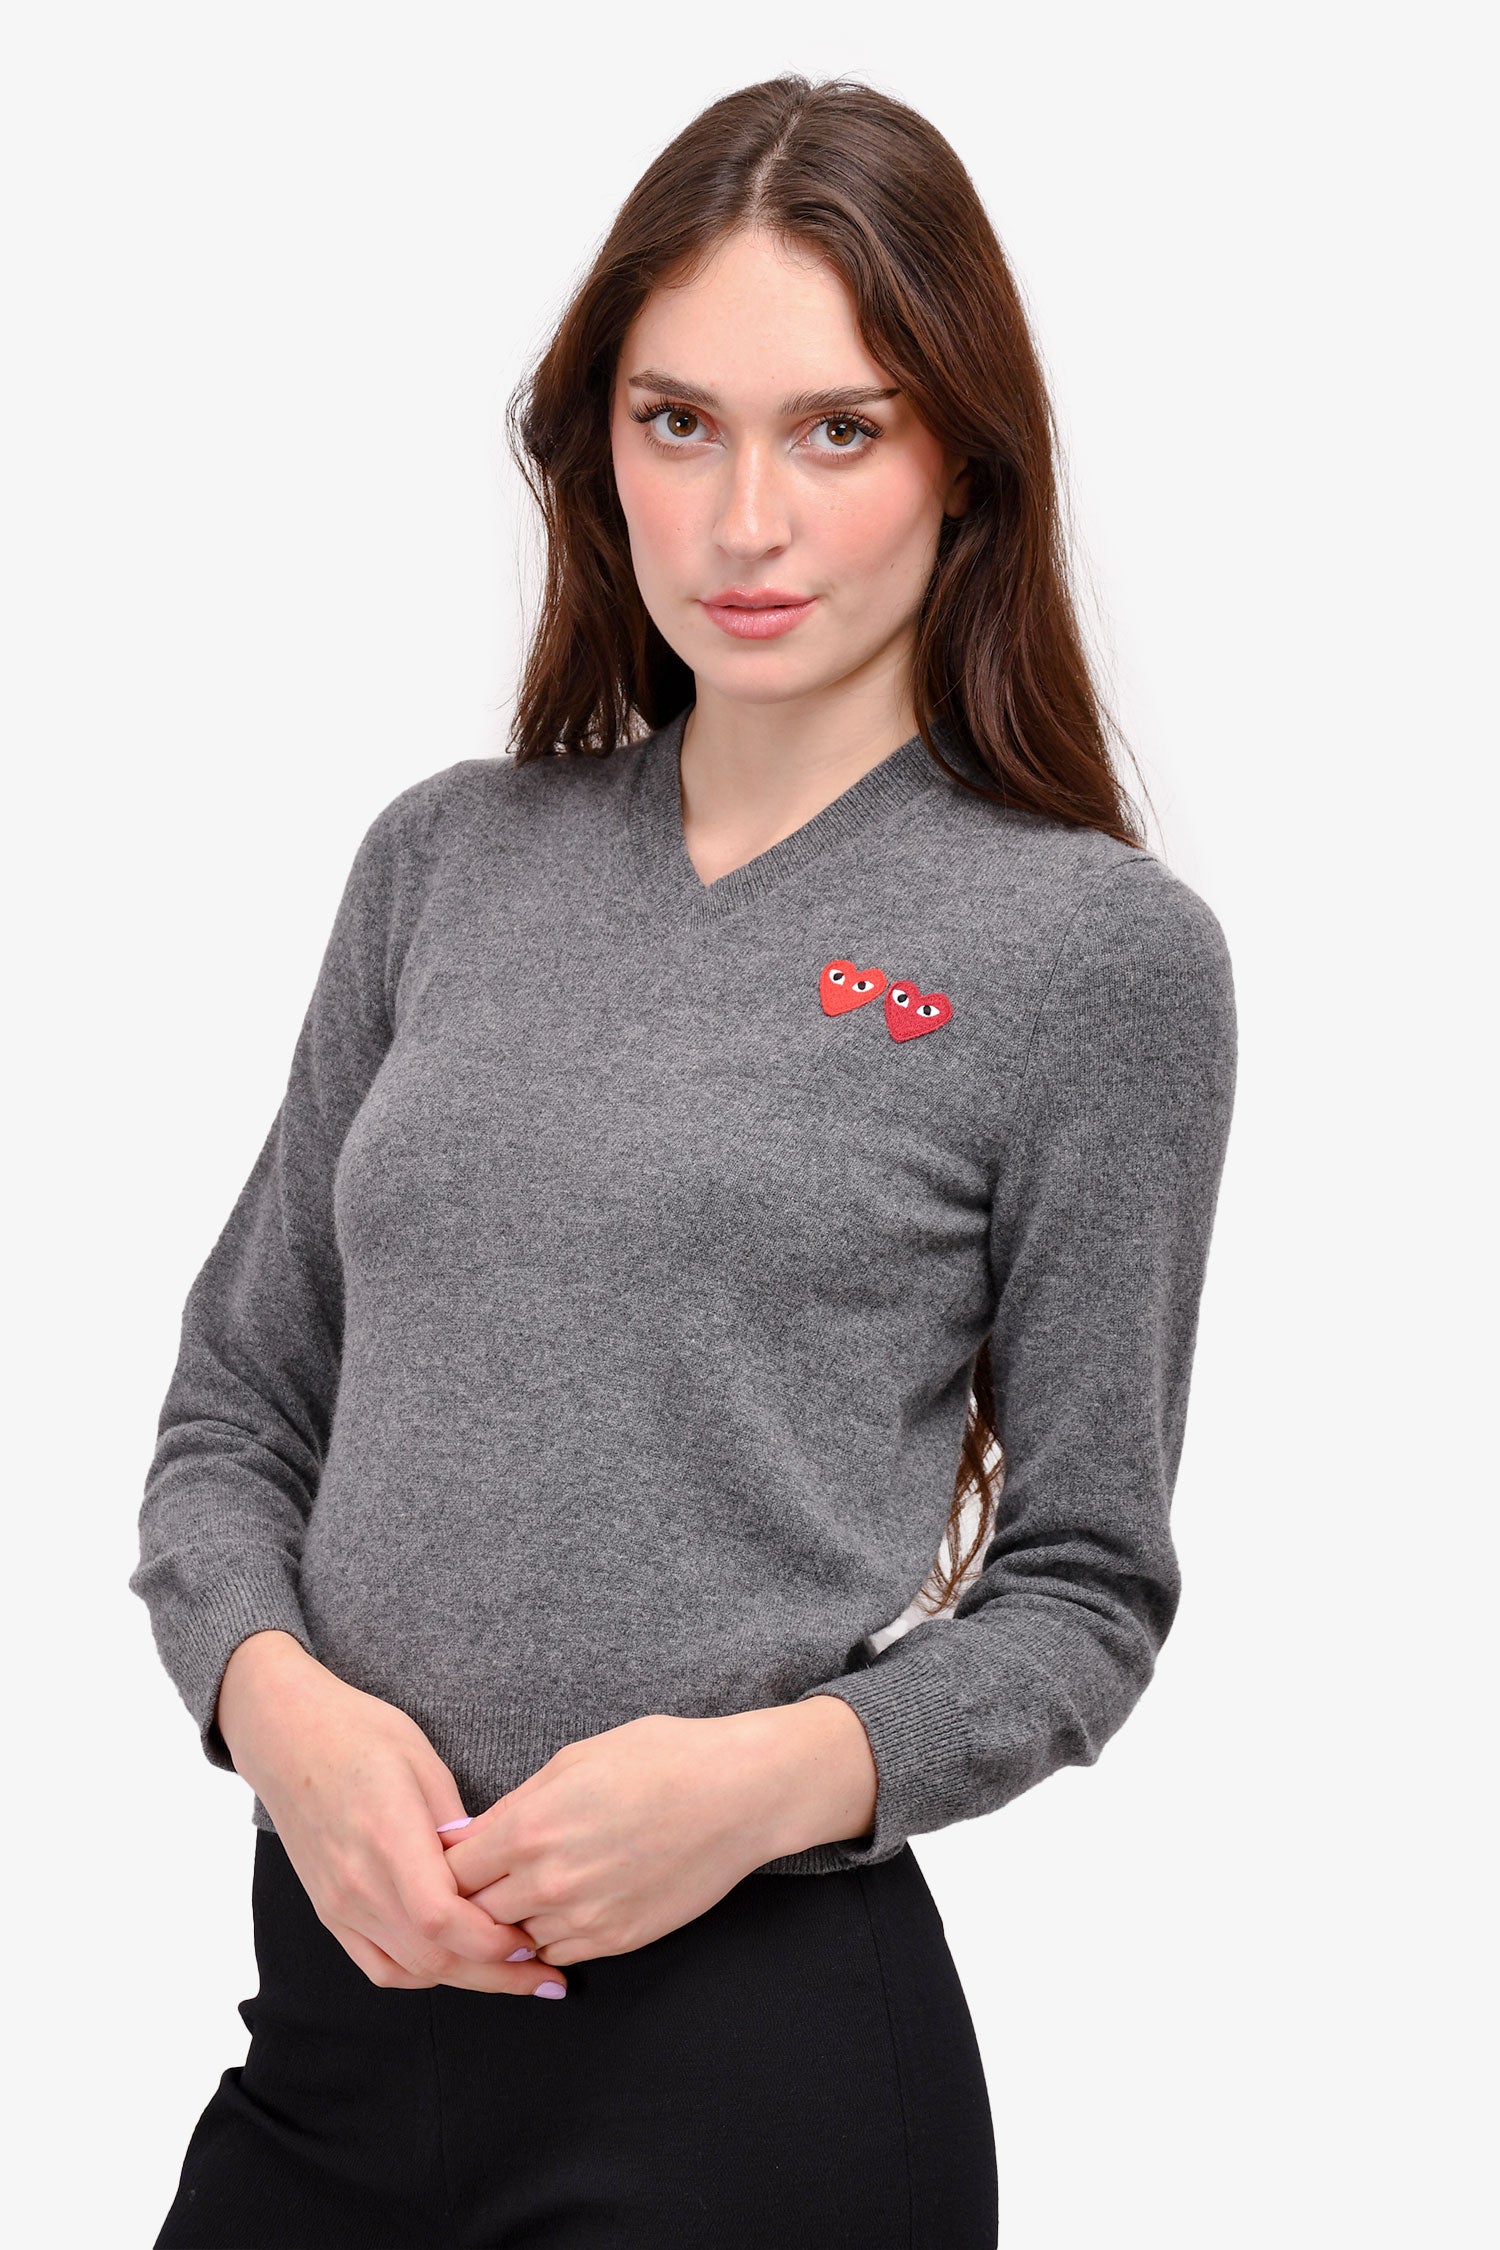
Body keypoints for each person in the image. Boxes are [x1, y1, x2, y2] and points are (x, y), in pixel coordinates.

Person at [133, 72, 1237, 2250]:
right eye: (679, 423)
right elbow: (236, 1414)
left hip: (752, 2088)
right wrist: (276, 1711)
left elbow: (1087, 1589)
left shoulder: (1093, 956)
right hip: (334, 2037)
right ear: (598, 448)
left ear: (961, 464)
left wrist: (755, 1785)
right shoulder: (444, 863)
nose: (746, 520)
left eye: (837, 429)